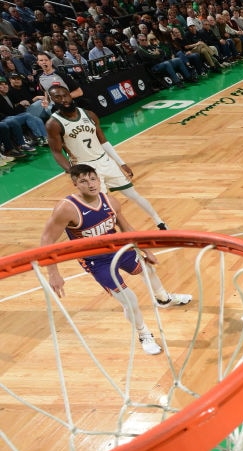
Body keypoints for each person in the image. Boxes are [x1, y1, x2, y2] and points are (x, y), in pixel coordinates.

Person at [40, 164, 192, 355]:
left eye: (93, 179)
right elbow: (46, 240)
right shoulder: (67, 209)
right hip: (97, 261)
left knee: (147, 267)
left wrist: (144, 249)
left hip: (118, 249)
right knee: (130, 300)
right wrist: (53, 273)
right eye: (83, 181)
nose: (90, 184)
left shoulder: (110, 201)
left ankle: (163, 299)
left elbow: (126, 228)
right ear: (75, 184)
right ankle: (144, 334)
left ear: (99, 179)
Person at [45, 84, 170, 231]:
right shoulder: (53, 124)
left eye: (65, 95)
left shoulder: (89, 114)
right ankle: (112, 236)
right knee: (102, 207)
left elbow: (103, 141)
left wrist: (121, 163)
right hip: (86, 169)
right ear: (52, 100)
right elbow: (56, 152)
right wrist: (72, 171)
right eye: (57, 97)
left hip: (104, 161)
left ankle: (160, 222)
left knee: (133, 194)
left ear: (70, 95)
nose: (63, 99)